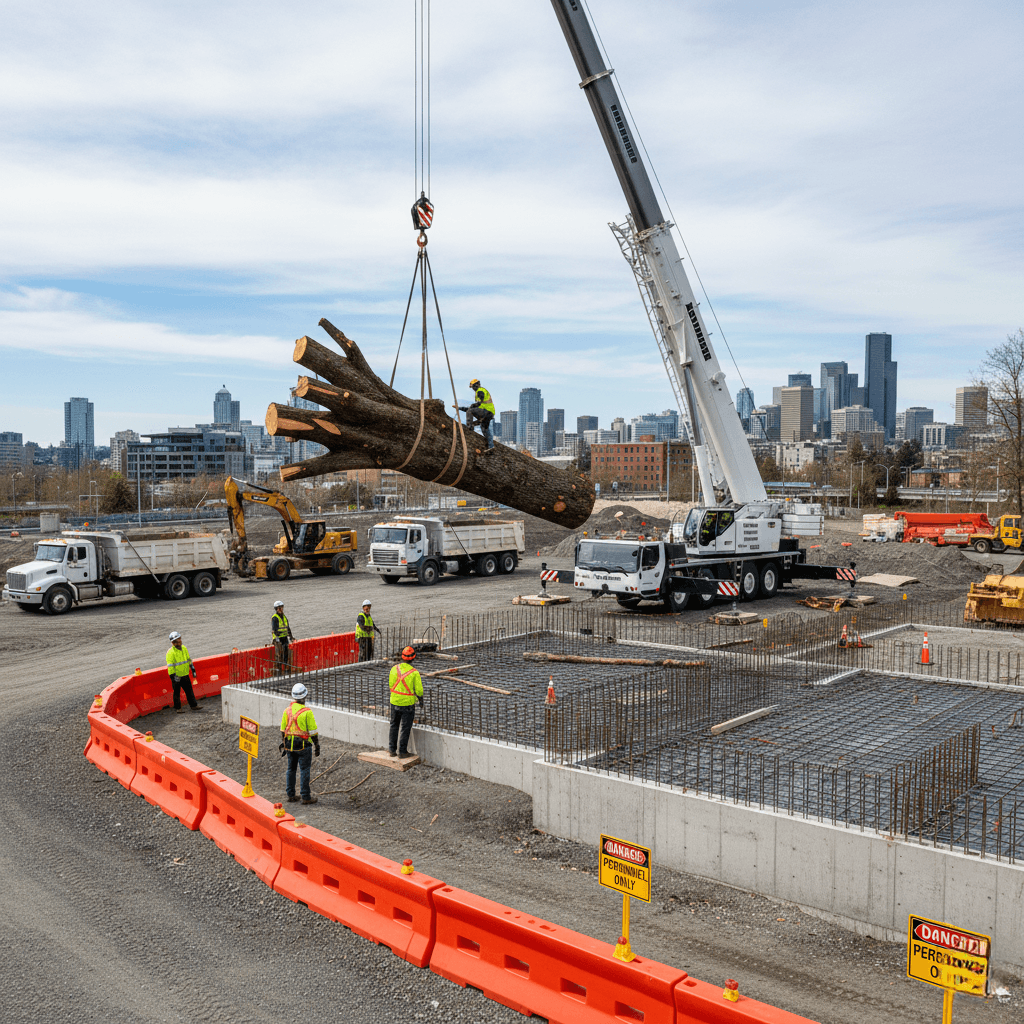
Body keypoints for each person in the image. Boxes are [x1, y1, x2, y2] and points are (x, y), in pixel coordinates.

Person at [280, 682, 319, 804]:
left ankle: (291, 795)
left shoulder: (287, 711)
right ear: (305, 696)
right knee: (304, 770)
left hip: (289, 745)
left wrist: (284, 743)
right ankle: (306, 797)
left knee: (290, 769)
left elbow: (283, 730)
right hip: (303, 746)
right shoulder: (307, 712)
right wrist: (317, 746)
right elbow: (313, 732)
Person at [388, 646, 424, 758]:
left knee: (394, 725)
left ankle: (392, 750)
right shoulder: (414, 673)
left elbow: (390, 684)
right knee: (405, 727)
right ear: (413, 658)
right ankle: (402, 752)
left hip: (394, 701)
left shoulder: (394, 669)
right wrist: (420, 700)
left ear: (402, 657)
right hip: (407, 704)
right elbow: (419, 690)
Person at [166, 631, 201, 713]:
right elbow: (170, 666)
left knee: (189, 691)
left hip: (185, 674)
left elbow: (188, 659)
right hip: (176, 676)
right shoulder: (170, 652)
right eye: (177, 640)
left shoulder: (184, 648)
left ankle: (194, 705)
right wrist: (174, 676)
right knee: (177, 692)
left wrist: (192, 668)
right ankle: (178, 708)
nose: (179, 641)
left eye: (179, 639)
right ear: (173, 642)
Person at [462, 379, 495, 449]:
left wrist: (473, 406)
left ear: (475, 385)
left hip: (486, 411)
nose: (473, 389)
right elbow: (475, 407)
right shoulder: (480, 391)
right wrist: (460, 408)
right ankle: (491, 447)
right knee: (484, 430)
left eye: (473, 387)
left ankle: (469, 427)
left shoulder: (480, 391)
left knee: (470, 411)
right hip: (489, 414)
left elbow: (479, 403)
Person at [271, 599, 293, 674]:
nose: (280, 609)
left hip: (284, 638)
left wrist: (291, 637)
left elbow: (288, 628)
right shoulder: (275, 618)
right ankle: (279, 670)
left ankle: (286, 668)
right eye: (279, 608)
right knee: (279, 654)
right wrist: (278, 638)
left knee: (286, 653)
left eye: (281, 608)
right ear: (276, 609)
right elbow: (274, 630)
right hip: (278, 639)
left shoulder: (284, 617)